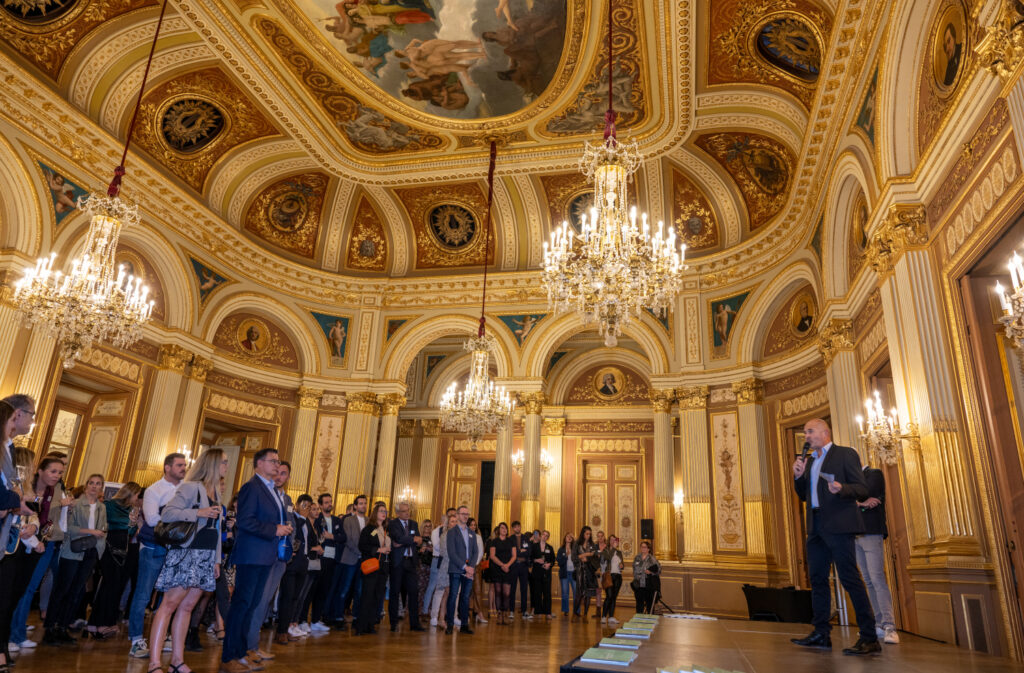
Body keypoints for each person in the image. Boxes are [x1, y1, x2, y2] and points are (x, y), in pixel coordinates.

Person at [791, 418, 879, 655]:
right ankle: (821, 633)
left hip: (839, 524)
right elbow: (803, 496)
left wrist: (842, 488)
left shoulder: (845, 454)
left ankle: (870, 637)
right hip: (816, 525)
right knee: (817, 579)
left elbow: (861, 488)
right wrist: (798, 476)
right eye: (805, 433)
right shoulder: (809, 462)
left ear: (825, 432)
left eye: (810, 431)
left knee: (850, 579)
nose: (807, 436)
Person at [148, 449, 226, 673]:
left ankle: (176, 660)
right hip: (186, 553)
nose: (226, 466)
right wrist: (198, 513)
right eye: (223, 462)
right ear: (211, 464)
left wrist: (216, 560)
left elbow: (216, 528)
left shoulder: (217, 492)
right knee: (169, 605)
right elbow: (168, 514)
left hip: (205, 556)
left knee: (188, 607)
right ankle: (154, 663)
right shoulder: (191, 487)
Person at [220, 448, 293, 673]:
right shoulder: (251, 488)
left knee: (251, 606)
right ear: (259, 463)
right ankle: (228, 657)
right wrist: (275, 529)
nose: (276, 465)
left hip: (265, 556)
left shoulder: (270, 489)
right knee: (241, 605)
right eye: (273, 461)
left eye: (277, 461)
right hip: (251, 555)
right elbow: (246, 521)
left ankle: (241, 653)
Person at [130, 452, 188, 658]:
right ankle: (136, 640)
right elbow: (153, 520)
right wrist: (182, 515)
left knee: (169, 596)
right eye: (179, 465)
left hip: (175, 549)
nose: (184, 468)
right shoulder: (155, 490)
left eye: (185, 465)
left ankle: (162, 636)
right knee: (143, 594)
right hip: (153, 547)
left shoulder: (185, 489)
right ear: (167, 467)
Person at [10, 455, 66, 652]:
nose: (57, 476)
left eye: (60, 472)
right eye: (53, 471)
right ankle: (12, 635)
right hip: (23, 540)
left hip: (44, 542)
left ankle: (17, 634)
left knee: (29, 588)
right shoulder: (26, 485)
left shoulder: (53, 490)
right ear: (40, 470)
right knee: (17, 587)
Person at [43, 473, 107, 646]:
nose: (94, 486)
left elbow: (104, 528)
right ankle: (50, 628)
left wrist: (98, 546)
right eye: (91, 483)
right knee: (62, 589)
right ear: (86, 485)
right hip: (72, 551)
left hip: (90, 552)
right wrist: (91, 531)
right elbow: (69, 528)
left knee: (76, 592)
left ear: (102, 487)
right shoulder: (76, 504)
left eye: (98, 483)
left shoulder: (102, 507)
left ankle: (63, 627)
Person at [247, 461, 293, 657]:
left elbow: (291, 524)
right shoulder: (263, 493)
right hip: (264, 552)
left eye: (283, 474)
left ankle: (254, 646)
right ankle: (249, 646)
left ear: (288, 477)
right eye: (277, 472)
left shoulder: (288, 499)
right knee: (257, 601)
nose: (279, 476)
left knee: (265, 602)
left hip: (281, 557)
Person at [0, 440, 39, 666]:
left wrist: (33, 526)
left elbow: (32, 515)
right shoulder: (11, 485)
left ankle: (4, 646)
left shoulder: (28, 488)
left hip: (23, 549)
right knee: (4, 601)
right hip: (9, 547)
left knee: (13, 598)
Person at [87, 482, 141, 639]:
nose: (137, 499)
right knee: (109, 585)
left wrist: (132, 523)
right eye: (137, 495)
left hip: (122, 549)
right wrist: (127, 523)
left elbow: (131, 530)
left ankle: (99, 623)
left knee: (114, 586)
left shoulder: (132, 509)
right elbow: (106, 523)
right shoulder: (109, 505)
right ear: (130, 493)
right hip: (108, 547)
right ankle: (101, 623)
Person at [856, 462, 899, 644]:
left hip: (871, 531)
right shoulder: (850, 479)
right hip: (855, 533)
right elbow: (846, 499)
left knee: (877, 578)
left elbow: (867, 492)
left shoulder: (873, 473)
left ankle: (889, 626)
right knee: (868, 580)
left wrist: (856, 501)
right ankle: (879, 624)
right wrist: (859, 504)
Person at [277, 494, 319, 643]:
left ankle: (289, 626)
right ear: (298, 505)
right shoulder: (294, 519)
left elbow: (312, 540)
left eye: (309, 506)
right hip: (292, 562)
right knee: (287, 596)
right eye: (305, 505)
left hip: (304, 562)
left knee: (296, 596)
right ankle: (281, 630)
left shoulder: (306, 522)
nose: (307, 509)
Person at [386, 501, 424, 631]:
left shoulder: (414, 523)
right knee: (395, 592)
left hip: (411, 562)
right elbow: (398, 538)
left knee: (414, 592)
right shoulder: (392, 524)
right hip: (398, 562)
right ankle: (393, 623)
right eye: (404, 511)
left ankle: (415, 624)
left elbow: (419, 540)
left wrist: (406, 540)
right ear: (397, 513)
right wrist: (412, 539)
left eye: (408, 510)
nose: (407, 513)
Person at [354, 502, 390, 635]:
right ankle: (360, 626)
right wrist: (379, 549)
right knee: (367, 596)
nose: (384, 513)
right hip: (372, 567)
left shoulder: (386, 530)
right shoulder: (369, 529)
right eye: (381, 511)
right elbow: (362, 546)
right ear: (376, 513)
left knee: (377, 597)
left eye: (385, 511)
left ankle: (370, 625)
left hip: (383, 567)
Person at [310, 493, 343, 632]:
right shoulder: (318, 519)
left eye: (330, 501)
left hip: (333, 559)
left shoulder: (337, 520)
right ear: (321, 505)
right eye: (326, 502)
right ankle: (306, 620)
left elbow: (343, 536)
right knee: (313, 590)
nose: (329, 504)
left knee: (325, 590)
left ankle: (317, 619)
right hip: (320, 557)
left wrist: (332, 536)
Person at [336, 494, 368, 628]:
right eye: (360, 503)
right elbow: (348, 539)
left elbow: (371, 538)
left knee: (359, 591)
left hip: (364, 561)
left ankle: (356, 617)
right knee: (344, 589)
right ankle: (338, 617)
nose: (363, 506)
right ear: (355, 506)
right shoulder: (348, 520)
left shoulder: (368, 521)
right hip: (350, 558)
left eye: (365, 503)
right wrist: (359, 552)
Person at [444, 505, 476, 635]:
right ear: (457, 515)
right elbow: (452, 553)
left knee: (465, 598)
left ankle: (464, 625)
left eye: (467, 514)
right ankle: (450, 624)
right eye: (463, 513)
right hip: (457, 569)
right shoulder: (451, 532)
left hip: (469, 571)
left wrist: (471, 567)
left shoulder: (472, 533)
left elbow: (475, 552)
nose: (465, 516)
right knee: (452, 597)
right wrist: (465, 567)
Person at [422, 506, 455, 615]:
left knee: (446, 589)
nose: (451, 520)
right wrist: (448, 549)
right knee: (433, 586)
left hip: (448, 561)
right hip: (437, 560)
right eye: (449, 517)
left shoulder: (453, 532)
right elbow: (436, 546)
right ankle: (425, 611)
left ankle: (442, 613)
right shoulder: (437, 531)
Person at [428, 513, 456, 627]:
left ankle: (443, 619)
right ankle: (440, 618)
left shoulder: (456, 535)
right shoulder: (445, 535)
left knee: (447, 594)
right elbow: (444, 552)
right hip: (446, 566)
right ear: (448, 524)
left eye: (456, 521)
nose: (455, 523)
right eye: (452, 521)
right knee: (445, 592)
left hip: (454, 566)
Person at [487, 522, 515, 625]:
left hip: (508, 569)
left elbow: (514, 555)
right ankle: (499, 614)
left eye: (505, 528)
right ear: (499, 530)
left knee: (506, 593)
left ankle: (505, 614)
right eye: (502, 528)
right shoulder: (494, 541)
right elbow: (492, 556)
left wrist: (507, 565)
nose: (504, 530)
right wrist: (502, 565)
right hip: (497, 568)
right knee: (498, 592)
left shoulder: (511, 541)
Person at [572, 526, 597, 622]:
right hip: (580, 571)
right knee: (579, 594)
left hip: (590, 572)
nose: (588, 535)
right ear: (583, 533)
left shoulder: (592, 545)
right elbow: (573, 558)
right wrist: (584, 555)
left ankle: (585, 615)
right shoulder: (577, 544)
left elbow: (595, 557)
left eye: (590, 534)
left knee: (588, 594)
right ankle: (574, 613)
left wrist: (587, 558)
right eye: (587, 533)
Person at [529, 530, 555, 620]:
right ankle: (538, 611)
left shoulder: (550, 548)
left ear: (548, 538)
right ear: (541, 536)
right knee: (537, 592)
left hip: (546, 573)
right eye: (543, 534)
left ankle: (548, 612)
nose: (544, 536)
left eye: (547, 535)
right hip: (537, 572)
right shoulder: (534, 546)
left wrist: (549, 565)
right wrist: (536, 560)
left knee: (547, 593)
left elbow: (553, 561)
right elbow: (530, 558)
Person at [509, 521, 531, 619]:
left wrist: (518, 553)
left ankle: (524, 611)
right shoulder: (510, 539)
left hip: (524, 566)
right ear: (513, 528)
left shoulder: (526, 538)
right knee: (512, 589)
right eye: (516, 527)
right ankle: (511, 611)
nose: (518, 528)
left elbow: (529, 552)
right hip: (513, 566)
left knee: (524, 589)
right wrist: (520, 551)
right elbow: (510, 553)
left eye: (519, 526)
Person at [467, 517, 486, 624]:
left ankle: (479, 613)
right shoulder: (464, 535)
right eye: (471, 525)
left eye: (475, 525)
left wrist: (473, 565)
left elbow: (480, 552)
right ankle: (465, 614)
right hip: (464, 567)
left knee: (477, 591)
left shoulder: (478, 537)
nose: (473, 527)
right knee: (465, 592)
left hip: (476, 567)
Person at [602, 535, 624, 624]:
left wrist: (622, 565)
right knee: (609, 596)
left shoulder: (619, 552)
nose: (613, 541)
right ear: (608, 541)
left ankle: (611, 616)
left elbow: (622, 564)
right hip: (609, 576)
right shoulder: (606, 550)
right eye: (611, 540)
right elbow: (608, 558)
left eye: (614, 540)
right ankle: (603, 616)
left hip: (618, 576)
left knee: (614, 597)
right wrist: (613, 548)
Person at [631, 540, 658, 614]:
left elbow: (658, 569)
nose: (643, 548)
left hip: (648, 584)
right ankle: (639, 620)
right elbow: (634, 568)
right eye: (642, 547)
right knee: (639, 603)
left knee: (649, 603)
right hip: (638, 584)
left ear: (648, 549)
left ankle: (649, 621)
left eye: (645, 547)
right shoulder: (637, 557)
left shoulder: (652, 559)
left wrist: (651, 572)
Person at [556, 532, 575, 617]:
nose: (569, 538)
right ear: (565, 538)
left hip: (574, 573)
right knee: (565, 593)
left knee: (576, 593)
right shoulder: (561, 549)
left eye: (571, 537)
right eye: (568, 536)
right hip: (565, 574)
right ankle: (565, 610)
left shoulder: (575, 549)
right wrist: (566, 556)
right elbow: (559, 562)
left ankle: (576, 610)